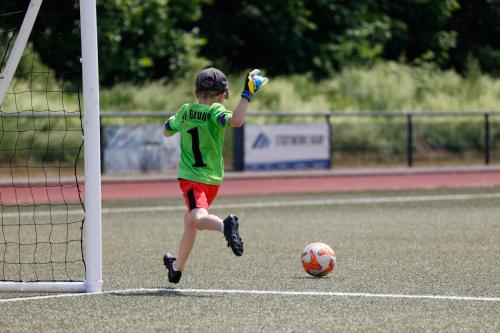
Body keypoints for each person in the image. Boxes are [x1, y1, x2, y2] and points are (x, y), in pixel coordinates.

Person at [162, 67, 268, 283]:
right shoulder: (215, 112)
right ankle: (176, 269)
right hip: (213, 179)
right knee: (190, 221)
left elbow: (167, 129)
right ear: (222, 95)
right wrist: (247, 95)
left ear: (196, 93)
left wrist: (175, 122)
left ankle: (224, 226)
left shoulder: (184, 111)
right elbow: (236, 121)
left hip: (191, 178)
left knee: (198, 219)